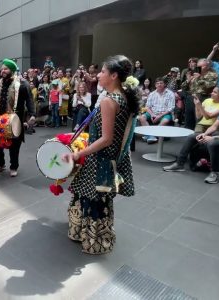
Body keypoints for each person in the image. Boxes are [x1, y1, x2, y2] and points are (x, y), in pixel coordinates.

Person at [62, 55, 139, 254]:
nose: (99, 75)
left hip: (98, 159)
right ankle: (96, 237)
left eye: (103, 71)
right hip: (110, 159)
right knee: (100, 199)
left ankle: (91, 239)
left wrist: (78, 154)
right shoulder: (123, 96)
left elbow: (106, 138)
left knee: (90, 196)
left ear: (114, 76)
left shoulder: (109, 100)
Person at [163, 87, 219, 184]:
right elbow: (214, 126)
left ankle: (216, 173)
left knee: (211, 143)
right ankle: (179, 164)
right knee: (193, 136)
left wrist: (213, 137)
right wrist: (204, 134)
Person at [0, 58, 35, 177]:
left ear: (11, 70)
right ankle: (1, 165)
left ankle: (14, 167)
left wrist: (32, 115)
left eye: (5, 69)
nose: (3, 71)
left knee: (14, 145)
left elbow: (29, 100)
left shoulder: (22, 84)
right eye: (2, 69)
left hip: (14, 119)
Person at [139, 77, 175, 143]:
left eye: (161, 83)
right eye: (157, 83)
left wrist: (159, 116)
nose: (159, 85)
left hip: (165, 114)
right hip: (153, 112)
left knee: (165, 121)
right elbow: (147, 107)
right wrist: (152, 115)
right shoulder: (152, 94)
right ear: (155, 85)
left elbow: (171, 108)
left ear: (164, 84)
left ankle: (150, 135)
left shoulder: (170, 94)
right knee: (141, 118)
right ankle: (151, 136)